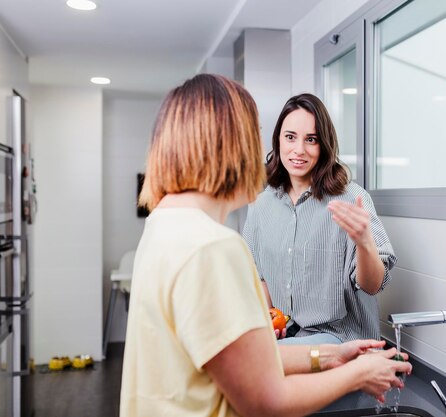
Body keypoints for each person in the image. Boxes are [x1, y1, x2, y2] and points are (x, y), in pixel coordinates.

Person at [120, 74, 411, 417]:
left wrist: (332, 355)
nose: (289, 150)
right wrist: (359, 372)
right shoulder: (213, 247)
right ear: (232, 146)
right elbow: (264, 399)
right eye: (260, 136)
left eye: (310, 140)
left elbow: (227, 358)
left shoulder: (162, 225)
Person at [242, 93, 397, 345]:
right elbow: (261, 278)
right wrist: (269, 322)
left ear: (324, 145)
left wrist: (364, 242)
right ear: (278, 140)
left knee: (252, 364)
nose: (298, 150)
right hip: (289, 336)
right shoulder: (262, 205)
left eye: (311, 140)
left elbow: (372, 285)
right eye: (290, 137)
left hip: (342, 338)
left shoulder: (352, 198)